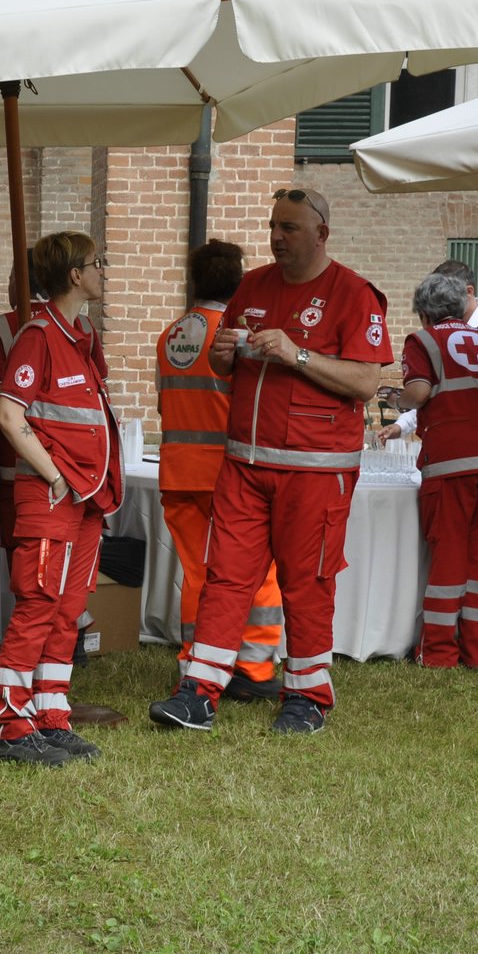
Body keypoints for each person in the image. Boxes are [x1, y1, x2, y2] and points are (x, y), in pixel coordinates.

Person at [150, 187, 391, 735]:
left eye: (290, 228)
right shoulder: (252, 285)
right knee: (226, 578)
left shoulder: (354, 294)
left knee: (307, 583)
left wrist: (297, 353)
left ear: (321, 233)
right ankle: (198, 692)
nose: (277, 238)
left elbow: (367, 380)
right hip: (243, 465)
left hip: (316, 470)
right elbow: (220, 362)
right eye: (273, 227)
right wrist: (222, 353)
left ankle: (307, 698)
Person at [0, 230, 122, 766]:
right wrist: (56, 476)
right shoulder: (39, 335)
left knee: (68, 610)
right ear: (74, 275)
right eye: (97, 264)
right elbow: (7, 414)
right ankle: (12, 726)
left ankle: (51, 713)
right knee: (39, 607)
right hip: (54, 495)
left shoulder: (81, 335)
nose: (103, 271)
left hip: (86, 497)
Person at [155, 239, 284, 694]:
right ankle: (252, 665)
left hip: (176, 470)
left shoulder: (170, 335)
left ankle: (195, 660)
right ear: (238, 281)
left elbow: (162, 403)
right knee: (255, 569)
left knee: (196, 572)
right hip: (225, 473)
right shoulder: (234, 336)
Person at [395, 273, 478, 669]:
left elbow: (417, 392)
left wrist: (400, 400)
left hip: (452, 461)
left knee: (449, 551)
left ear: (423, 314)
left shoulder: (423, 342)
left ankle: (437, 653)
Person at [0, 252, 102, 659]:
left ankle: (51, 648)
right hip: (56, 471)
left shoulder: (11, 328)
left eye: (14, 277)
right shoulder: (65, 328)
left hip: (35, 469)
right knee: (46, 574)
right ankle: (52, 648)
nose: (11, 286)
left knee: (31, 567)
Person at [377, 258, 478, 444]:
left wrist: (471, 423)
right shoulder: (437, 336)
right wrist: (403, 425)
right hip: (455, 440)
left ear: (469, 292)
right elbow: (438, 396)